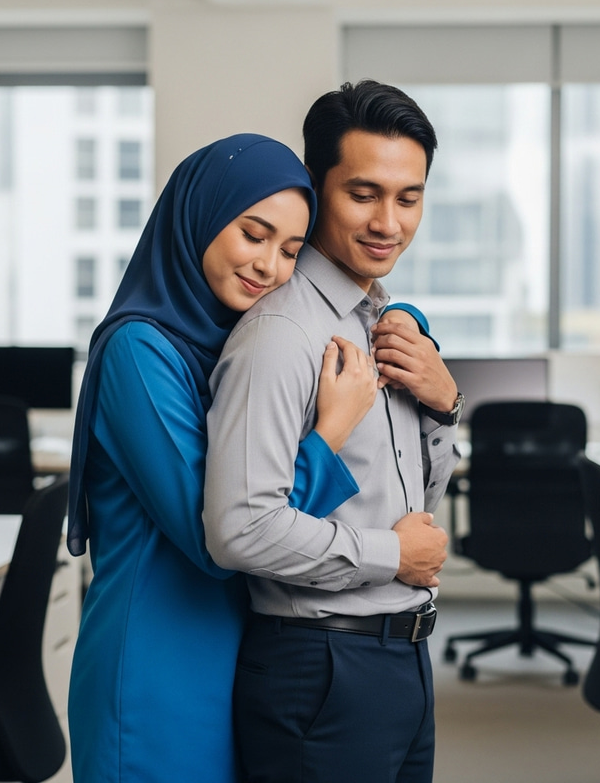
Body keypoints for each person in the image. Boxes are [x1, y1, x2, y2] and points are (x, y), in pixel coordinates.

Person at [66, 133, 386, 783]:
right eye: (253, 233)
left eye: (291, 250)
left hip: (231, 655)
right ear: (204, 216)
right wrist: (329, 433)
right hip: (154, 668)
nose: (269, 264)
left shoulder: (227, 347)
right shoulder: (139, 351)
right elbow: (217, 536)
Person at [203, 81, 463, 783]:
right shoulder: (282, 335)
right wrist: (392, 556)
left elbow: (418, 504)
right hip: (320, 665)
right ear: (317, 188)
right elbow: (239, 529)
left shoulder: (381, 323)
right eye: (364, 194)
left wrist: (444, 404)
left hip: (400, 656)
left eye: (408, 198)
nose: (389, 222)